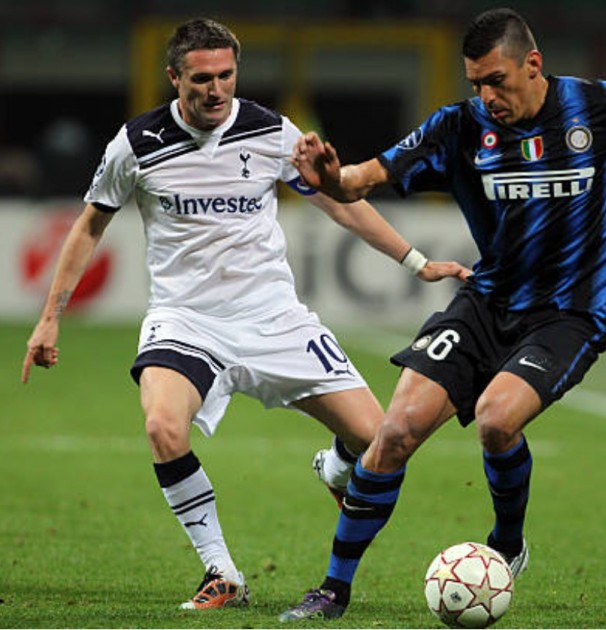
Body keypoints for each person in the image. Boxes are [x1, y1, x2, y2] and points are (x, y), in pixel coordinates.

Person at [20, 18, 468, 611]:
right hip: (186, 320)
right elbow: (89, 225)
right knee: (162, 426)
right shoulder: (136, 145)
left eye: (226, 75)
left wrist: (416, 262)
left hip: (274, 317)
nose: (216, 89)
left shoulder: (271, 133)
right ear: (174, 76)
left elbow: (341, 205)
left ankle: (334, 468)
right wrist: (50, 317)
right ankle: (222, 572)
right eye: (201, 78)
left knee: (378, 442)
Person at [279, 7, 606, 622]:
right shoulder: (458, 126)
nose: (487, 95)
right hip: (488, 301)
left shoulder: (600, 106)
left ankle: (506, 545)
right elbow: (361, 180)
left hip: (570, 314)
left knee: (497, 421)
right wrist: (328, 177)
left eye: (497, 80)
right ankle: (332, 590)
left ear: (533, 64)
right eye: (476, 82)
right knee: (394, 432)